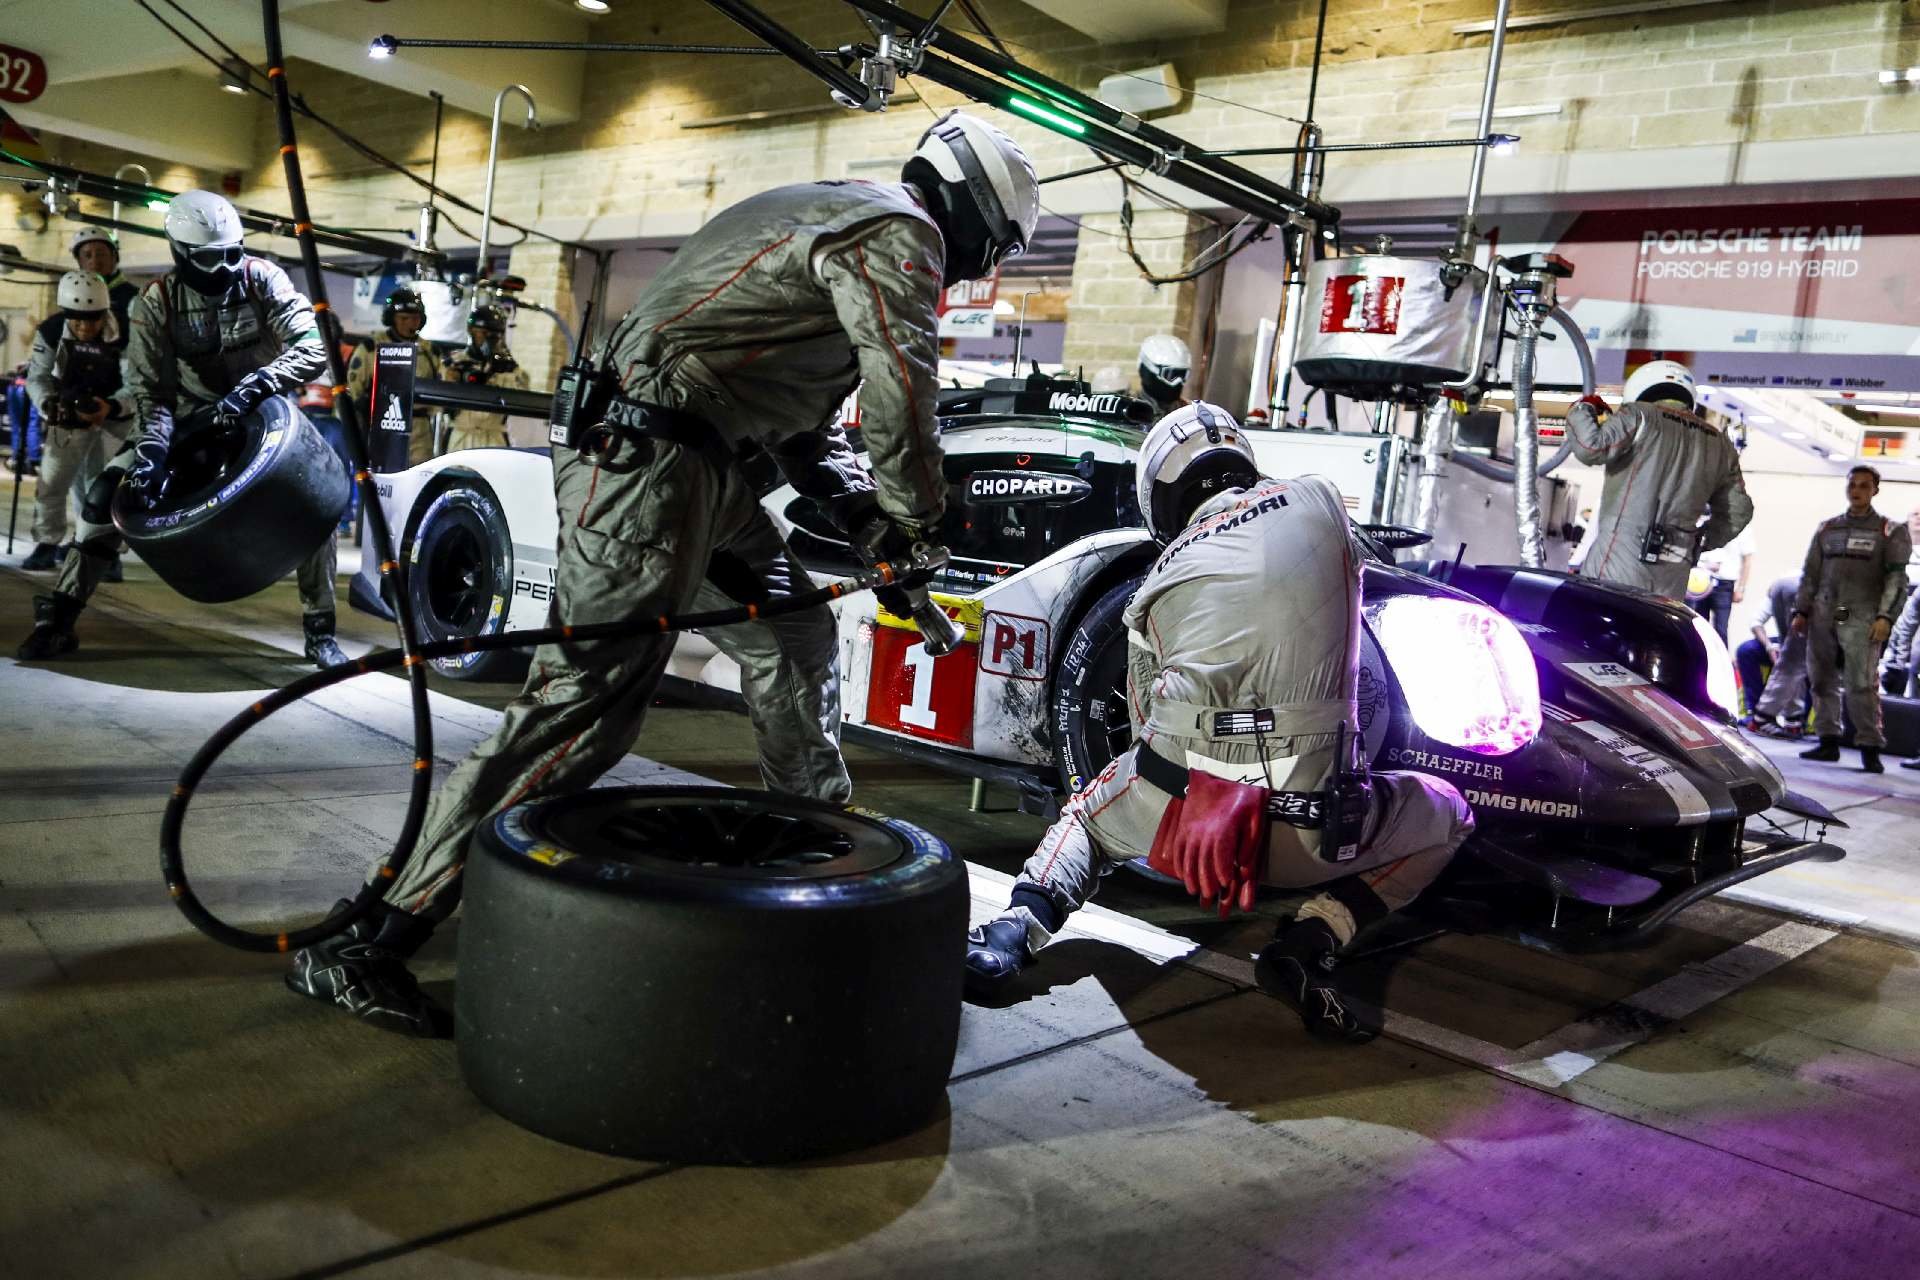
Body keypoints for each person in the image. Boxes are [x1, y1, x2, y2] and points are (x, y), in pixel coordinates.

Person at [284, 110, 1041, 1036]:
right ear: (970, 212)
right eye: (994, 246)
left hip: (696, 469)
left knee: (790, 632)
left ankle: (816, 845)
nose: (984, 268)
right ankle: (371, 939)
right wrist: (919, 524)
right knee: (585, 707)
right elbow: (902, 390)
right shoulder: (902, 233)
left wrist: (860, 517)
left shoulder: (844, 222)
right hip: (651, 466)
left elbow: (805, 428)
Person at [964, 403, 1474, 1044]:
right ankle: (1317, 937)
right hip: (1315, 835)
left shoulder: (1153, 587)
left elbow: (1147, 726)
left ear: (1161, 497)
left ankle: (1012, 932)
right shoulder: (1320, 501)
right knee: (1451, 811)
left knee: (1088, 817)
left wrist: (1217, 782)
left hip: (1184, 834)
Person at [15, 190, 344, 668]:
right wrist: (150, 454)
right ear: (181, 253)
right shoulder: (155, 303)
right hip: (188, 417)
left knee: (314, 502)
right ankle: (58, 621)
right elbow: (152, 393)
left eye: (233, 254)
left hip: (265, 413)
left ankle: (320, 630)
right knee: (105, 498)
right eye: (210, 259)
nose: (225, 268)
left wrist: (257, 387)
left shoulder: (264, 279)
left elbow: (315, 346)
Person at [1565, 359, 1753, 599]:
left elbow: (1589, 447)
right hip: (1674, 571)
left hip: (1618, 563)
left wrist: (1583, 408)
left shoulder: (1639, 416)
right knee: (1651, 635)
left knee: (1599, 630)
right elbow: (1739, 510)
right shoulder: (1720, 444)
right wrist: (1700, 542)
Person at [1793, 464, 1911, 773]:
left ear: (1875, 490)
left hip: (1862, 615)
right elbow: (1810, 574)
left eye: (1863, 485)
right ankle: (1827, 741)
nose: (1856, 490)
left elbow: (1896, 581)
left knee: (1861, 683)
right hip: (1823, 613)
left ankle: (1870, 746)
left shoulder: (1890, 531)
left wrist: (1886, 617)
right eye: (1852, 485)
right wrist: (1801, 611)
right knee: (1820, 680)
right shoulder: (1827, 529)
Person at [20, 272, 134, 575]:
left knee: (103, 487)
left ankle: (106, 553)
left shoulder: (126, 332)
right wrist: (48, 404)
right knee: (52, 483)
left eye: (93, 319)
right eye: (78, 320)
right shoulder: (51, 330)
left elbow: (137, 383)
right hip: (67, 415)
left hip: (114, 416)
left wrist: (110, 406)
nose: (85, 327)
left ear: (105, 313)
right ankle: (47, 543)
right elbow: (38, 377)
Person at [345, 286, 441, 466]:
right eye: (403, 318)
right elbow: (353, 391)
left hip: (419, 429)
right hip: (382, 427)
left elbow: (439, 390)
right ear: (391, 319)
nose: (410, 323)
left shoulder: (430, 351)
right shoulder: (371, 348)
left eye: (415, 318)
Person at [440, 303, 530, 452]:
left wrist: (503, 368)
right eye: (484, 332)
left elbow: (523, 398)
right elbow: (439, 402)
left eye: (494, 334)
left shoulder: (508, 367)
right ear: (471, 331)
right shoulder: (454, 363)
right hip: (461, 435)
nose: (489, 339)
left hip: (493, 437)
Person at [1739, 573, 1809, 734]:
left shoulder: (1785, 583)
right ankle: (1761, 717)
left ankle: (1790, 719)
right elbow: (1756, 621)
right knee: (1747, 651)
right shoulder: (1793, 583)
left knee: (1796, 662)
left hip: (1802, 635)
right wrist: (1769, 646)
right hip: (1777, 640)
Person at [69, 226, 140, 340]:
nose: (94, 261)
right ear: (79, 262)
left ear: (114, 258)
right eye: (87, 255)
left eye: (101, 254)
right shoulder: (72, 298)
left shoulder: (135, 297)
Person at [1693, 525, 1753, 643]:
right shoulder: (1708, 522)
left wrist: (1741, 588)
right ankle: (1699, 658)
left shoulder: (1744, 529)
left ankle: (1720, 660)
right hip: (1701, 578)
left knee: (1721, 628)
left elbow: (1748, 560)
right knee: (1699, 625)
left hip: (1724, 583)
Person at [1137, 333, 1191, 415]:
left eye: (1182, 374)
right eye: (1170, 375)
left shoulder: (1189, 412)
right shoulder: (1130, 410)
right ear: (1145, 370)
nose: (1178, 382)